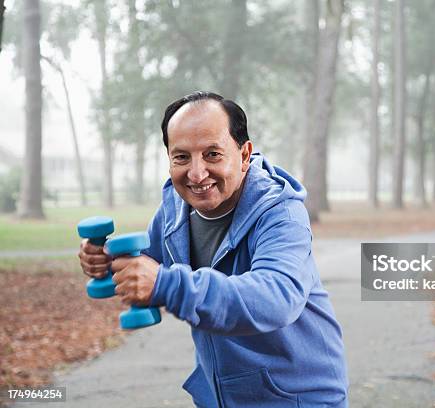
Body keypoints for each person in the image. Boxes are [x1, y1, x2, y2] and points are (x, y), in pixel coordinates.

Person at [78, 91, 349, 407]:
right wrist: (104, 261)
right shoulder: (174, 210)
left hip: (299, 397)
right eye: (182, 157)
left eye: (212, 154)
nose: (196, 174)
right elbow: (146, 266)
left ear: (244, 154)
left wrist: (165, 284)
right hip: (222, 396)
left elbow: (276, 297)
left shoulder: (281, 213)